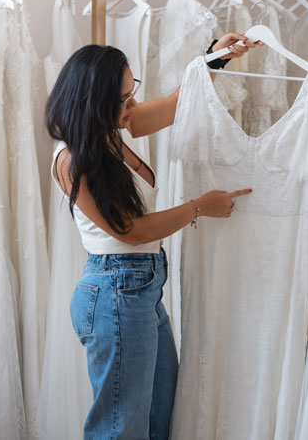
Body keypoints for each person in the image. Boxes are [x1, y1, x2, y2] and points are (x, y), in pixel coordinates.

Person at [46, 34, 258, 439]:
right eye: (123, 99)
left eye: (132, 93)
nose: (133, 106)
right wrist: (199, 206)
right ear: (94, 101)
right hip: (116, 292)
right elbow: (130, 230)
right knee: (121, 428)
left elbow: (179, 103)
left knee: (162, 417)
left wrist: (213, 58)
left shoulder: (113, 127)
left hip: (140, 290)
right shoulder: (73, 159)